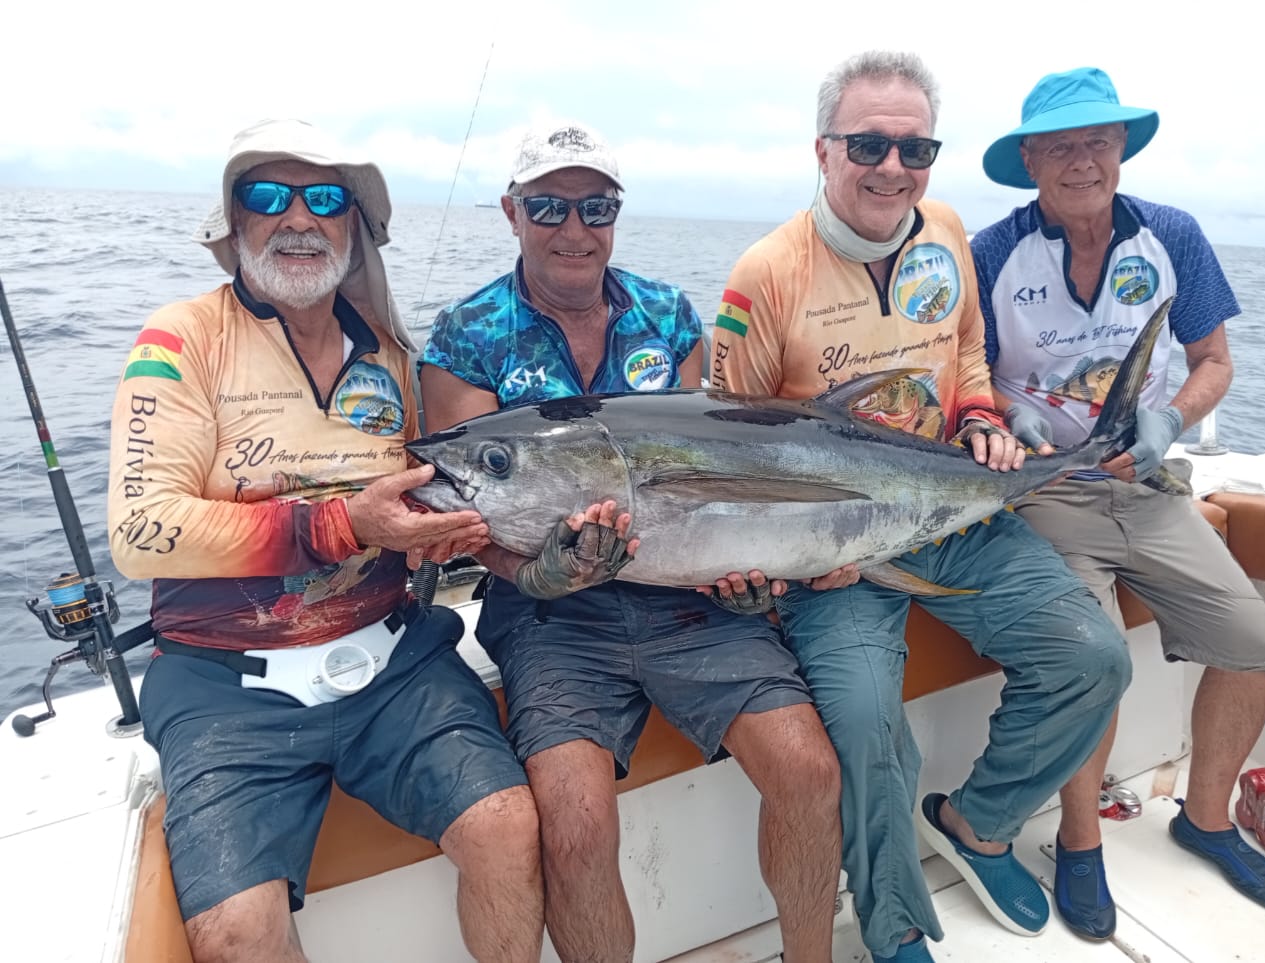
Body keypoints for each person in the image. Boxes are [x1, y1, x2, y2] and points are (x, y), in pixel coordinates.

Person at [712, 51, 1134, 961]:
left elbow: (969, 350)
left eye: (916, 147)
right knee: (868, 728)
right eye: (868, 144)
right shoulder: (765, 275)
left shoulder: (944, 228)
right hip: (832, 560)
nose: (893, 168)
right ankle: (895, 918)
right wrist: (783, 558)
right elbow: (725, 454)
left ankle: (976, 821)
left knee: (1094, 656)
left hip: (951, 510)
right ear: (823, 151)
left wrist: (981, 415)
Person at [107, 119, 544, 963]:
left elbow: (421, 501)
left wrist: (437, 538)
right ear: (234, 221)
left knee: (506, 822)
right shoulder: (179, 339)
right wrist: (334, 523)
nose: (297, 217)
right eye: (268, 196)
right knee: (236, 926)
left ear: (354, 227)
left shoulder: (389, 353)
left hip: (392, 661)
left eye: (326, 198)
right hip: (222, 685)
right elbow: (139, 530)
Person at [419, 121, 843, 963]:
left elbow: (714, 473)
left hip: (686, 598)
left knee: (808, 769)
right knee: (573, 822)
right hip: (552, 622)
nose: (573, 228)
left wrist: (746, 574)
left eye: (595, 206)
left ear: (616, 214)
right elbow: (459, 513)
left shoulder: (667, 314)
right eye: (548, 205)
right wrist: (533, 571)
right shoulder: (466, 336)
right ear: (511, 212)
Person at [971, 66, 1265, 938]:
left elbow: (1215, 359)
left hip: (1147, 488)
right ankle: (1079, 843)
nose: (1081, 161)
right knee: (1092, 650)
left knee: (1259, 641)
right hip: (1047, 494)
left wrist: (1169, 419)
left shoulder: (1171, 234)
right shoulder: (991, 253)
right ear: (1029, 161)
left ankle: (1206, 816)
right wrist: (1003, 431)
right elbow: (965, 381)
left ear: (1122, 150)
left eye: (1098, 142)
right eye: (1061, 146)